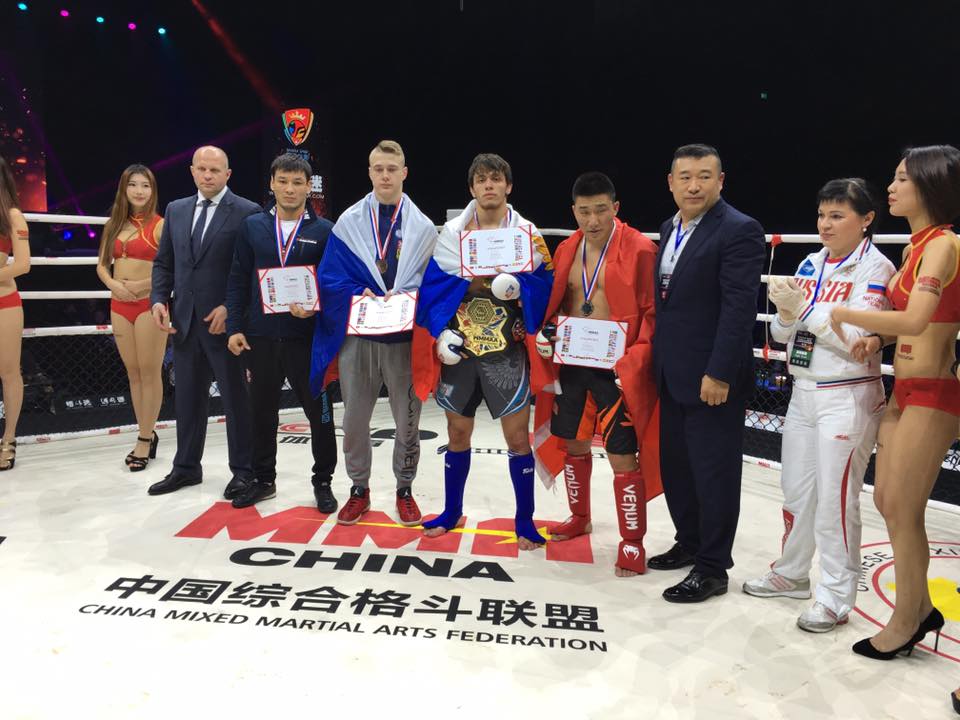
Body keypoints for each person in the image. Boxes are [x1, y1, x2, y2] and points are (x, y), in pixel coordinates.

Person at [742, 179, 895, 631]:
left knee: (835, 500)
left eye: (837, 216)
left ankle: (835, 596)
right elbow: (781, 335)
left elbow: (857, 342)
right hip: (803, 389)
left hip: (848, 394)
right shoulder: (812, 262)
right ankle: (791, 573)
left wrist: (804, 312)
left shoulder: (876, 268)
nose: (825, 225)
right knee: (796, 490)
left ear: (866, 220)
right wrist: (787, 313)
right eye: (822, 215)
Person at [830, 145, 960, 659]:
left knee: (904, 509)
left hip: (934, 391)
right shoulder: (914, 249)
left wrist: (845, 314)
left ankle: (907, 621)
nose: (892, 186)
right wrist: (875, 340)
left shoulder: (944, 245)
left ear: (930, 184)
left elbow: (917, 320)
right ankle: (919, 607)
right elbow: (905, 327)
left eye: (902, 178)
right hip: (904, 391)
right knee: (888, 502)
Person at [413, 153, 554, 550]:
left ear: (508, 185)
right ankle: (451, 511)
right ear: (472, 188)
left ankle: (524, 521)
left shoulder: (528, 234)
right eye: (481, 179)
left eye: (496, 178)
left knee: (518, 439)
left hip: (507, 354)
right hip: (461, 353)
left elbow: (547, 286)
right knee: (457, 433)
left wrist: (521, 288)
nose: (489, 185)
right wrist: (440, 333)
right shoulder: (451, 234)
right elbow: (434, 290)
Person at [649, 143, 766, 602]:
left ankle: (713, 567)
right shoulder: (669, 228)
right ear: (671, 183)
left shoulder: (739, 229)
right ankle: (690, 542)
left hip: (712, 377)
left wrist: (719, 372)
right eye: (685, 177)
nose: (694, 186)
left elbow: (739, 310)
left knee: (714, 471)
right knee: (678, 466)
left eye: (704, 176)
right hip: (672, 371)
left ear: (720, 180)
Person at [529, 171, 659, 576]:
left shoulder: (641, 249)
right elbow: (557, 306)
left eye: (601, 210)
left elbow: (654, 315)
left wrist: (635, 361)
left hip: (617, 368)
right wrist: (547, 333)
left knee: (622, 454)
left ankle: (632, 541)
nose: (593, 220)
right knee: (574, 443)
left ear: (615, 208)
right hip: (573, 364)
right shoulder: (567, 248)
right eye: (584, 211)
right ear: (574, 211)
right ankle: (580, 517)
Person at [310, 140, 438, 525]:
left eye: (391, 169)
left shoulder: (423, 227)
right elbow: (330, 278)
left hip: (403, 339)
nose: (385, 175)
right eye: (378, 169)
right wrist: (356, 292)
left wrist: (411, 295)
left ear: (404, 173)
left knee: (408, 421)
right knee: (354, 420)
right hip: (360, 336)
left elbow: (434, 282)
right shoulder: (349, 222)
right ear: (369, 172)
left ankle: (404, 489)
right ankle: (358, 489)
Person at [225, 154, 338, 509]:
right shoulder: (252, 227)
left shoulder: (325, 230)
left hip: (307, 339)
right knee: (261, 413)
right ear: (272, 183)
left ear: (308, 187)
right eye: (283, 181)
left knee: (320, 414)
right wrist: (234, 327)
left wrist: (316, 307)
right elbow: (238, 279)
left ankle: (323, 481)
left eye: (297, 182)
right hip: (260, 336)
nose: (290, 189)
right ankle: (263, 480)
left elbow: (334, 283)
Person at [148, 145, 260, 497]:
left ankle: (244, 471)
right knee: (187, 399)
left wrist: (231, 308)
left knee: (236, 399)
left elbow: (254, 270)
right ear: (192, 171)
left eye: (215, 170)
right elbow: (165, 263)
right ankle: (185, 468)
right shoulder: (176, 209)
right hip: (184, 321)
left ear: (228, 174)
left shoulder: (247, 211)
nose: (208, 175)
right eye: (202, 169)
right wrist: (158, 300)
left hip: (227, 325)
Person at [95, 164, 167, 471]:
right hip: (119, 304)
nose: (139, 191)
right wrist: (113, 284)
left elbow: (172, 270)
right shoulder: (114, 224)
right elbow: (102, 265)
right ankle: (145, 430)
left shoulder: (161, 225)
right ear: (124, 189)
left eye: (145, 185)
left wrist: (141, 285)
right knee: (134, 373)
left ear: (153, 190)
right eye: (133, 184)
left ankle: (144, 438)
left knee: (150, 372)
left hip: (150, 304)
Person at [0, 157, 30, 471]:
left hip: (4, 303)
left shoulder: (12, 215)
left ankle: (8, 439)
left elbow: (23, 264)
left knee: (9, 371)